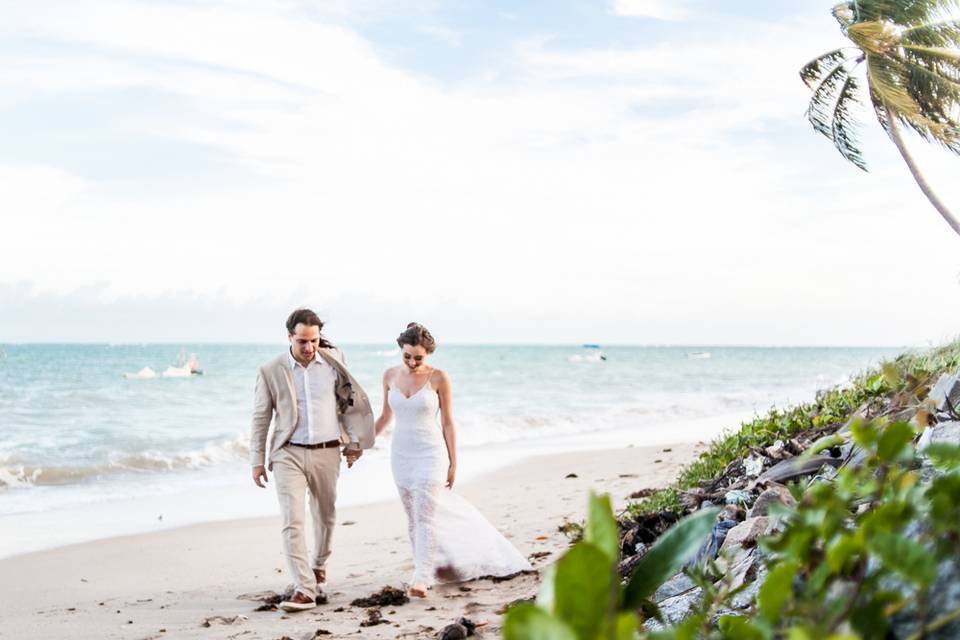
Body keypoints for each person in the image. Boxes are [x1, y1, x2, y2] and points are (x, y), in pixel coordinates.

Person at [375, 323, 531, 597]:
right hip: (400, 454)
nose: (412, 362)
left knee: (425, 514)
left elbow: (447, 422)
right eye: (407, 356)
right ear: (401, 350)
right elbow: (385, 418)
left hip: (430, 453)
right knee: (412, 515)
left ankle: (422, 577)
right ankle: (425, 567)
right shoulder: (389, 376)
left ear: (428, 354)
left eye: (418, 358)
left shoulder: (438, 378)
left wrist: (453, 462)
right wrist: (359, 443)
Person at [249, 308, 374, 612]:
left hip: (328, 451)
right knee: (292, 521)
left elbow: (349, 405)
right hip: (287, 451)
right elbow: (261, 416)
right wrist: (257, 459)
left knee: (326, 515)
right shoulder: (270, 370)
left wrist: (355, 443)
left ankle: (319, 565)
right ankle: (304, 588)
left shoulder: (334, 362)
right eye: (302, 341)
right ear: (289, 336)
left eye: (314, 340)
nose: (308, 348)